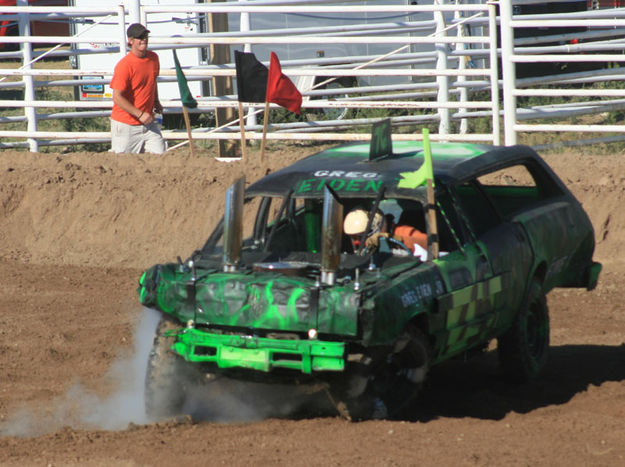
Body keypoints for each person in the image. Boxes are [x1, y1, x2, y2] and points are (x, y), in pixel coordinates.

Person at [109, 23, 166, 154]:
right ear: (131, 40)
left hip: (148, 123)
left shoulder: (153, 58)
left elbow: (152, 81)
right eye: (140, 37)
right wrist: (139, 114)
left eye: (145, 36)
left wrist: (156, 101)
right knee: (123, 167)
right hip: (126, 124)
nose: (144, 39)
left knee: (161, 158)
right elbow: (117, 97)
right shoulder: (125, 65)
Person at [343, 207, 427, 256]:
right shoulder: (353, 248)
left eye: (360, 236)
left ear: (376, 227)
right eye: (353, 237)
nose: (356, 242)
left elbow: (427, 243)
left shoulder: (401, 232)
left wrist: (389, 238)